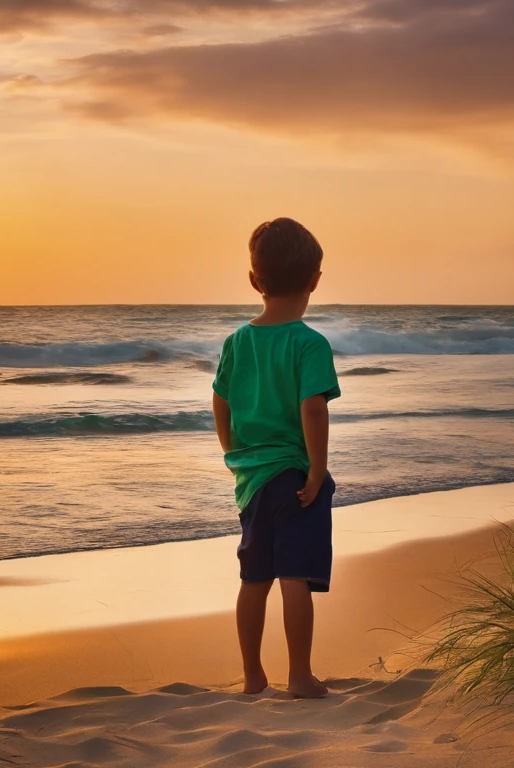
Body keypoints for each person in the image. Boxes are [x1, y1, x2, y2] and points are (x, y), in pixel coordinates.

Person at [212, 217, 340, 698]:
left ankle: (251, 675)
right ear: (314, 280)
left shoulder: (236, 343)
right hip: (294, 476)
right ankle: (300, 675)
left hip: (251, 480)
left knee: (254, 578)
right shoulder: (309, 343)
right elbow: (313, 405)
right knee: (295, 576)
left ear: (253, 281)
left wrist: (231, 449)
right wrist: (318, 466)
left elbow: (220, 400)